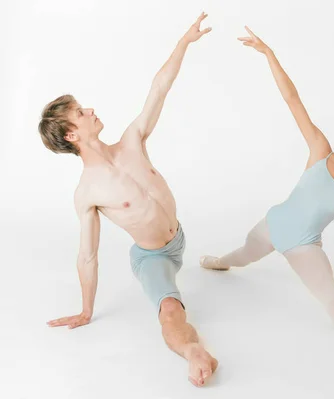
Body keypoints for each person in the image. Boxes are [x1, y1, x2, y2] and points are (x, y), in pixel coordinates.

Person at [200, 26, 334, 356]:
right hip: (272, 224)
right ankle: (219, 261)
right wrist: (268, 53)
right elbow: (293, 99)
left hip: (304, 246)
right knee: (241, 256)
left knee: (332, 299)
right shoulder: (321, 149)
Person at [39, 12, 218, 387]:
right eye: (80, 113)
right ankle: (193, 353)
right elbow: (87, 255)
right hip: (153, 256)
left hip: (180, 234)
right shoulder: (87, 192)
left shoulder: (132, 141)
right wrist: (87, 310)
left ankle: (224, 264)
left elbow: (159, 89)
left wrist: (184, 42)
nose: (90, 111)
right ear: (71, 134)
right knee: (170, 310)